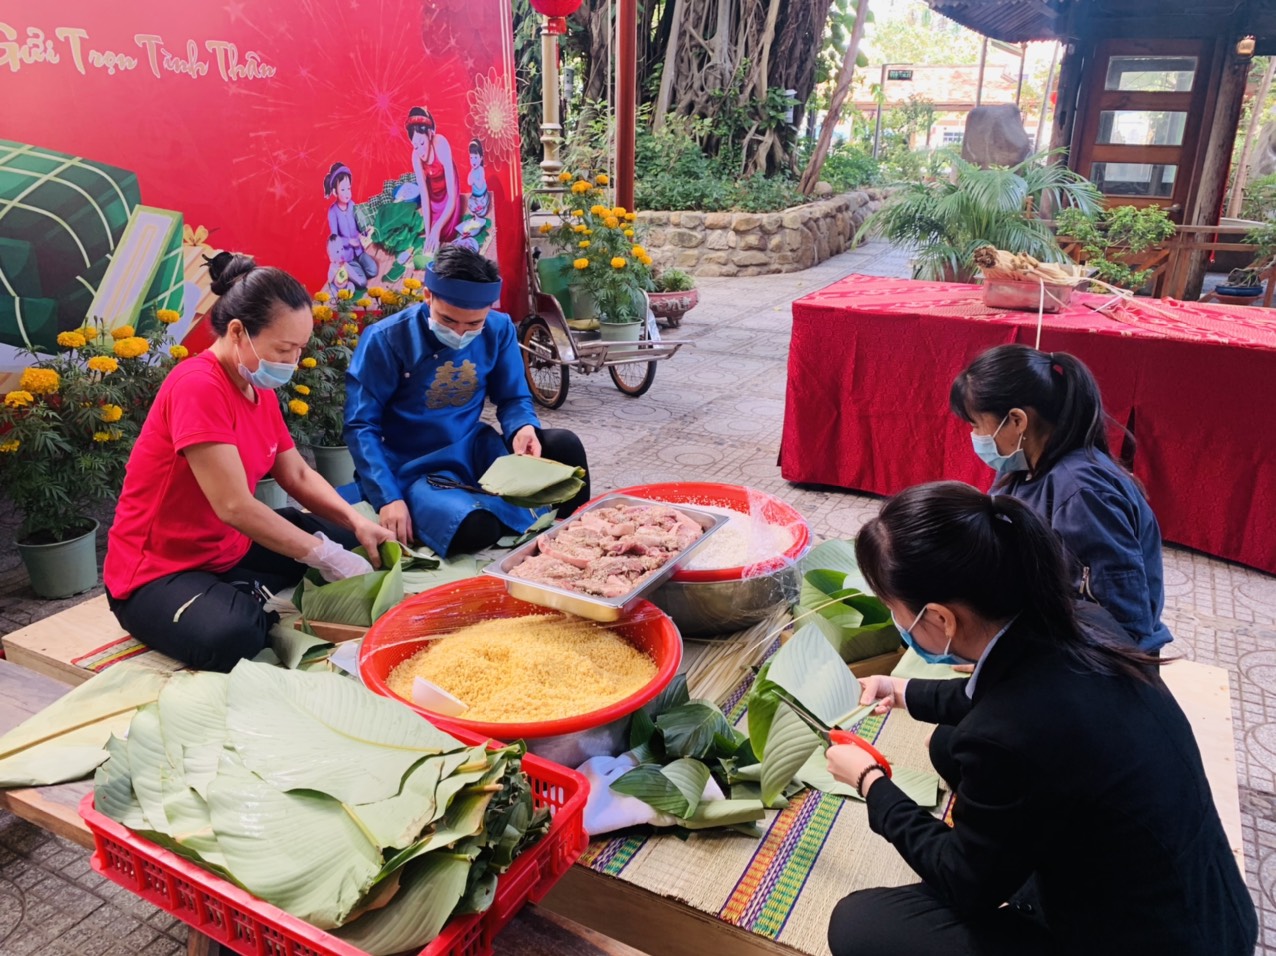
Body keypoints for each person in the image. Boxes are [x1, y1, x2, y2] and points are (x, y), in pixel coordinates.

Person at [825, 481, 1257, 956]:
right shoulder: (1079, 620)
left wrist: (871, 783)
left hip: (1149, 943)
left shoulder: (1007, 738)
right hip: (1211, 911)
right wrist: (902, 690)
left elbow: (967, 884)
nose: (894, 620)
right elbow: (1005, 697)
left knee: (859, 924)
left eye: (893, 609)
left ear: (941, 620)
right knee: (950, 743)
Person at [105, 252, 393, 672]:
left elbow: (294, 472)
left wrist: (355, 522)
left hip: (226, 546)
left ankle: (240, 588)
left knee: (354, 542)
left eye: (298, 349)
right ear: (238, 332)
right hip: (158, 570)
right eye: (283, 348)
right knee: (235, 635)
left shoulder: (258, 388)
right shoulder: (197, 386)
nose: (292, 362)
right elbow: (234, 505)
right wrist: (321, 556)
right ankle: (236, 596)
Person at [345, 244, 589, 556]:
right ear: (427, 296)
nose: (460, 333)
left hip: (472, 450)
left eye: (474, 324)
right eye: (448, 321)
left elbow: (513, 398)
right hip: (411, 466)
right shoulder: (385, 339)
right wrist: (387, 498)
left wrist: (523, 428)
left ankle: (578, 543)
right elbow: (360, 426)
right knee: (476, 529)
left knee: (564, 446)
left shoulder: (498, 329)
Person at [950, 343, 1172, 653]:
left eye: (976, 425)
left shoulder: (1081, 492)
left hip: (1109, 661)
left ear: (1017, 420)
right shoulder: (1026, 472)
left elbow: (1123, 621)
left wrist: (1018, 653)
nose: (975, 437)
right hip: (1060, 637)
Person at [323, 162, 378, 288]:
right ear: (335, 192)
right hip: (347, 258)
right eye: (343, 189)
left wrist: (365, 231)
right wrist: (349, 242)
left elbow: (358, 225)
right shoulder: (333, 212)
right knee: (362, 282)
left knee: (373, 271)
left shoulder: (352, 205)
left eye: (348, 188)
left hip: (359, 251)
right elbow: (334, 239)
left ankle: (358, 269)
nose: (347, 192)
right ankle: (348, 272)